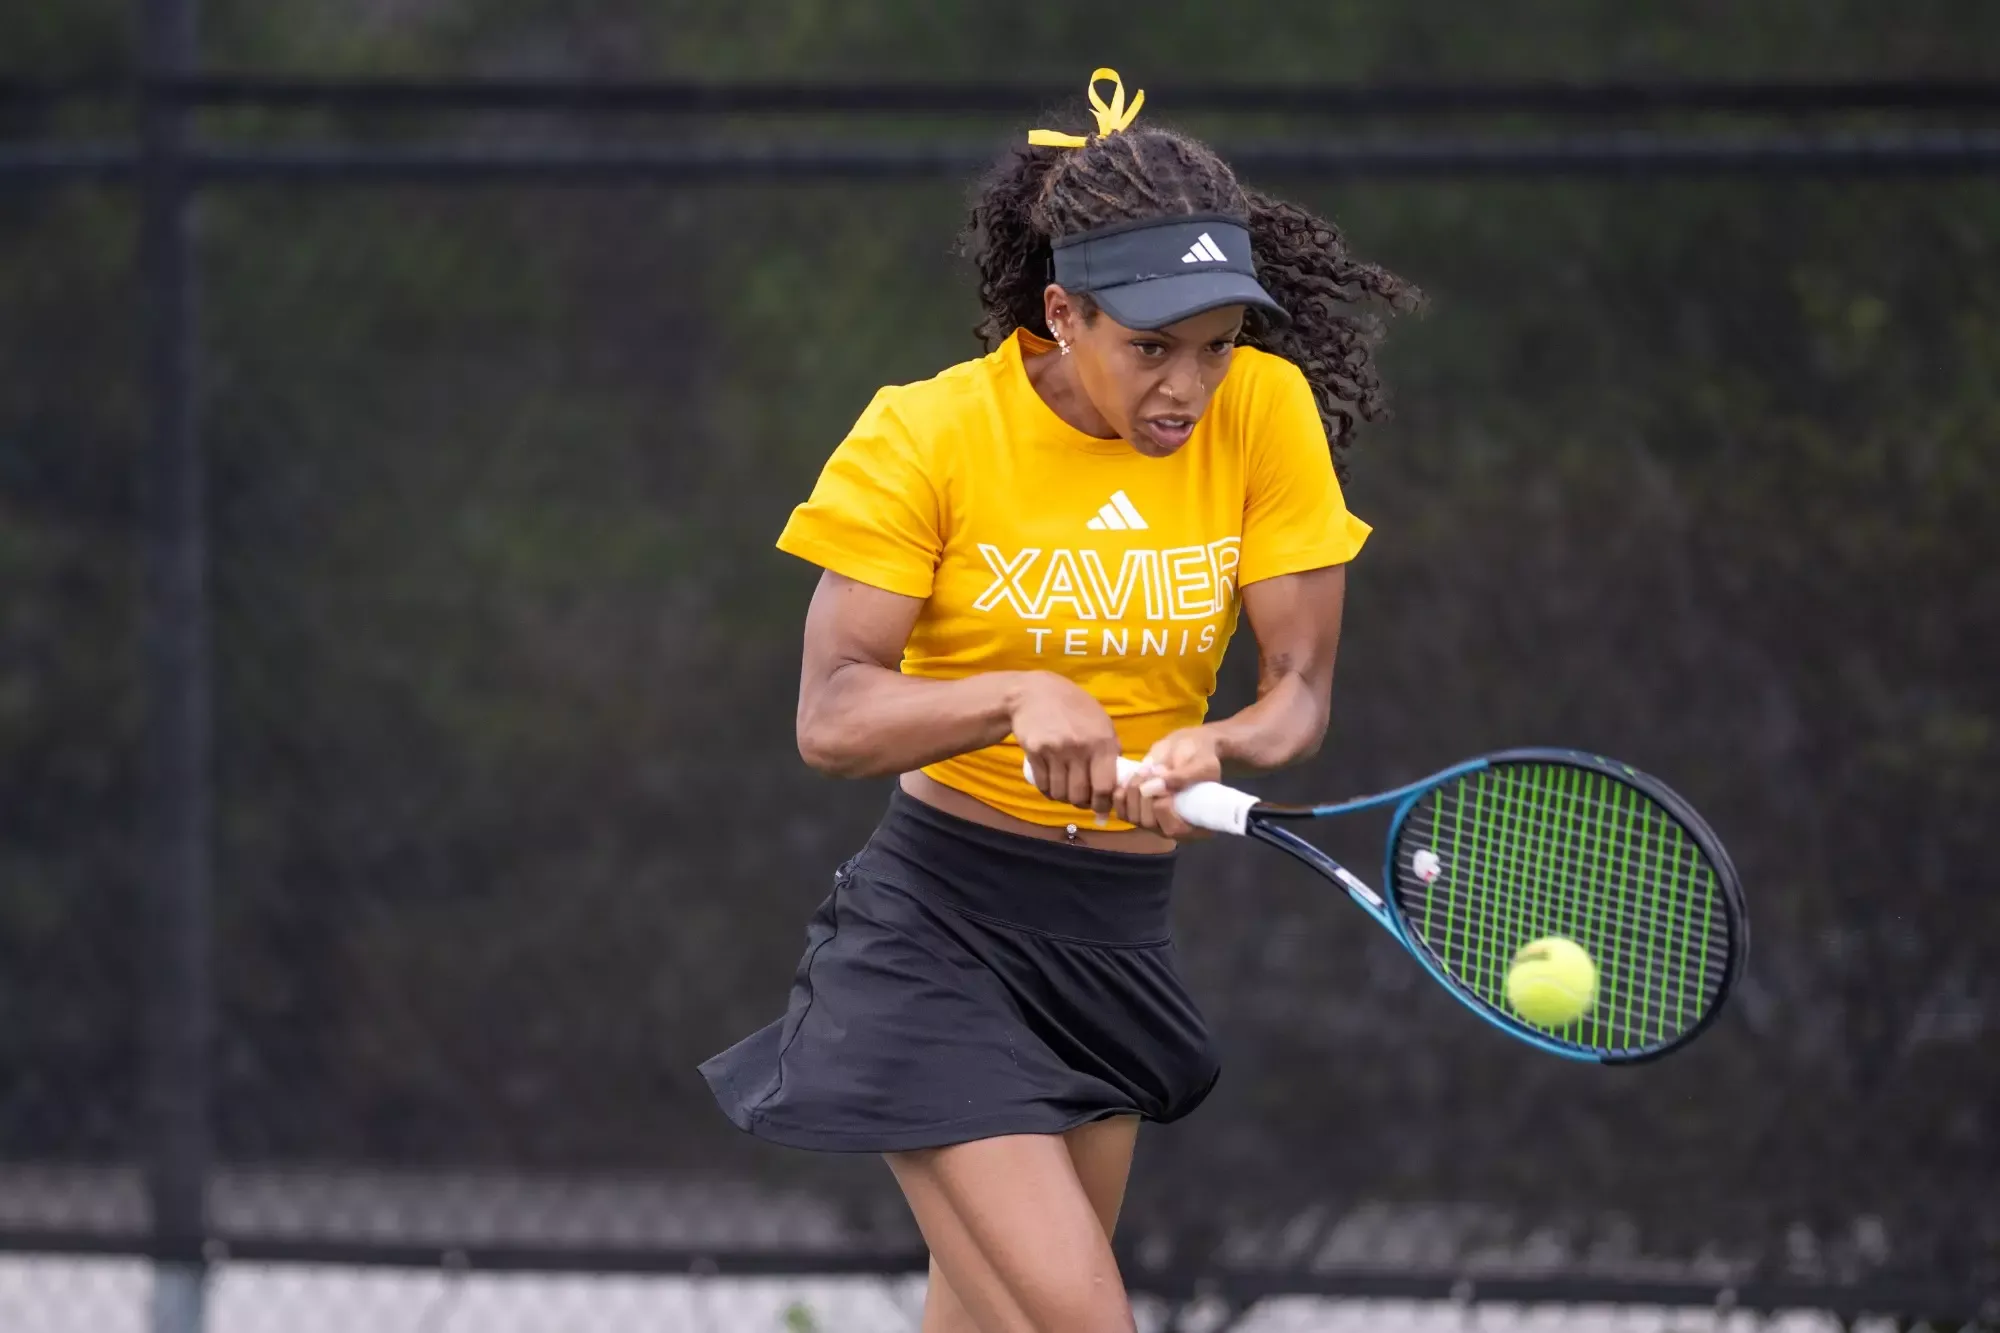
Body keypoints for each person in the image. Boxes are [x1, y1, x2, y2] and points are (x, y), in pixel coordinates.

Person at [701, 69, 1418, 1333]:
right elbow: (832, 716)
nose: (1186, 386)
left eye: (1216, 345)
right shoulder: (927, 434)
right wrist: (1015, 697)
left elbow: (1297, 691)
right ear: (1061, 313)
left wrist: (1212, 744)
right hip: (937, 936)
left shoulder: (1262, 414)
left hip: (1111, 939)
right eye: (1150, 347)